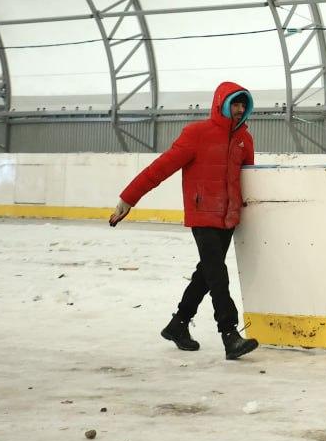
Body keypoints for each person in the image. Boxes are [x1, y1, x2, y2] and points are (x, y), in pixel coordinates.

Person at [109, 81, 260, 360]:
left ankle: (178, 325)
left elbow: (249, 178)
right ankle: (229, 334)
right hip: (203, 214)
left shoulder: (244, 139)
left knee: (206, 274)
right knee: (218, 275)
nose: (239, 109)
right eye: (234, 103)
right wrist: (129, 198)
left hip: (228, 217)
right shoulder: (197, 134)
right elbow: (161, 168)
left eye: (243, 104)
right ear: (221, 104)